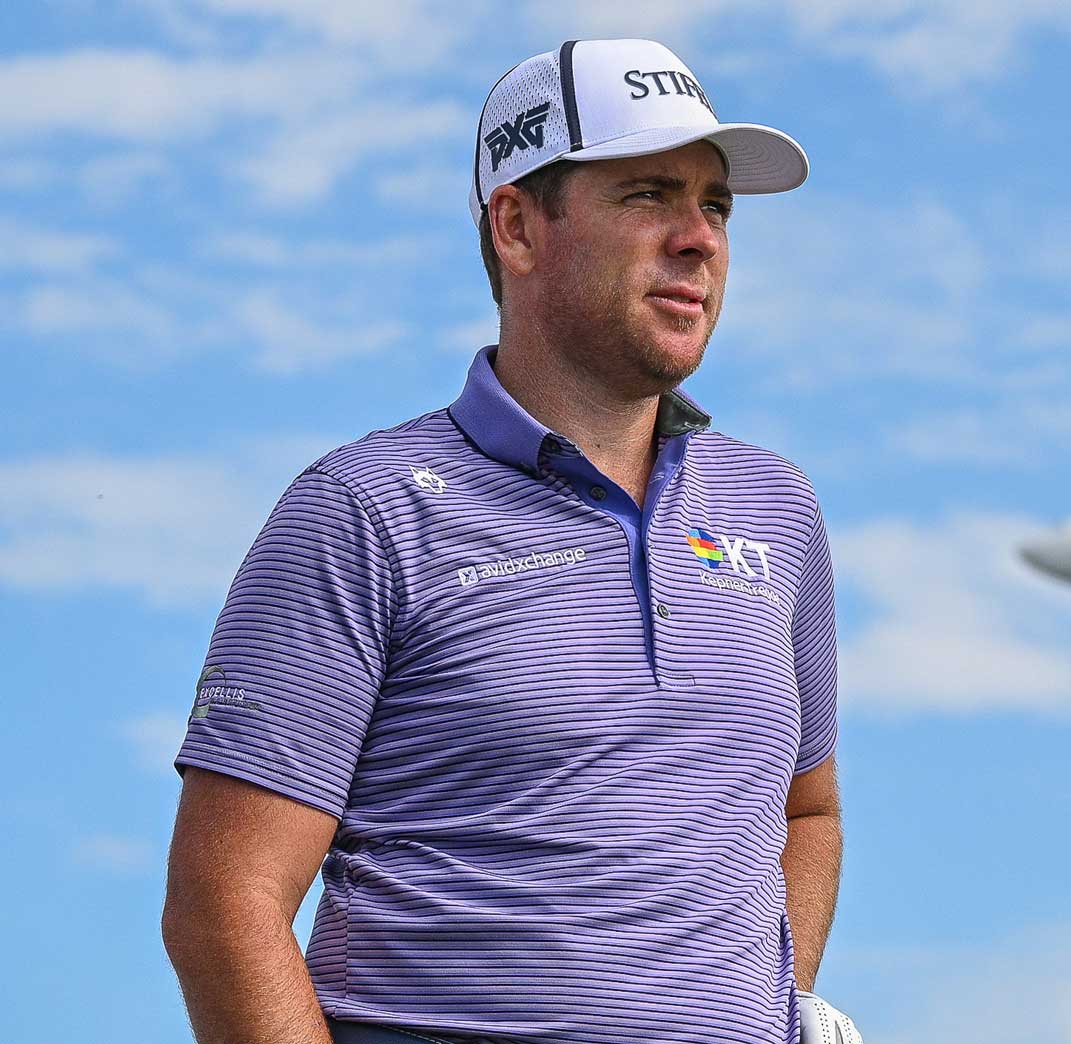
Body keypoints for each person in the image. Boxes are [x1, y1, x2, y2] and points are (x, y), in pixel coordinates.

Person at [162, 39, 860, 1044]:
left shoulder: (777, 510)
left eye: (715, 205)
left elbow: (806, 812)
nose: (698, 238)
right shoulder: (360, 509)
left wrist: (760, 998)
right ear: (519, 225)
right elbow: (224, 903)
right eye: (649, 194)